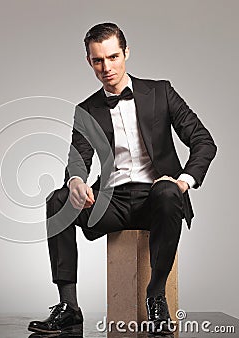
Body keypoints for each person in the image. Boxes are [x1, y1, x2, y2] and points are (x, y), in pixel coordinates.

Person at [28, 22, 216, 335]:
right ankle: (69, 306)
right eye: (98, 60)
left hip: (157, 197)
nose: (107, 67)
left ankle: (156, 296)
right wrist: (75, 181)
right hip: (110, 202)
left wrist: (184, 180)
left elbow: (204, 141)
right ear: (89, 61)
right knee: (57, 200)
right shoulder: (86, 109)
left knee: (168, 192)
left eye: (113, 57)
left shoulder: (160, 92)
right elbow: (78, 158)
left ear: (126, 52)